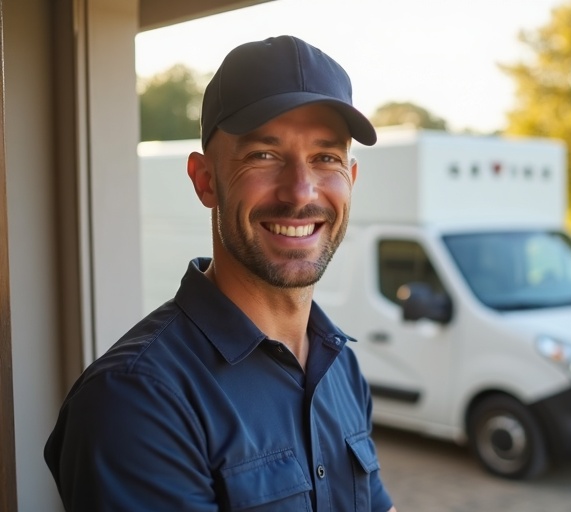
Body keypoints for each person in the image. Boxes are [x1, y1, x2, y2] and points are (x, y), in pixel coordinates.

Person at [44, 35, 396, 512]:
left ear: (350, 181)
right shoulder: (136, 400)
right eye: (263, 155)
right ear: (205, 180)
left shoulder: (339, 366)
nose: (300, 191)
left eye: (325, 157)